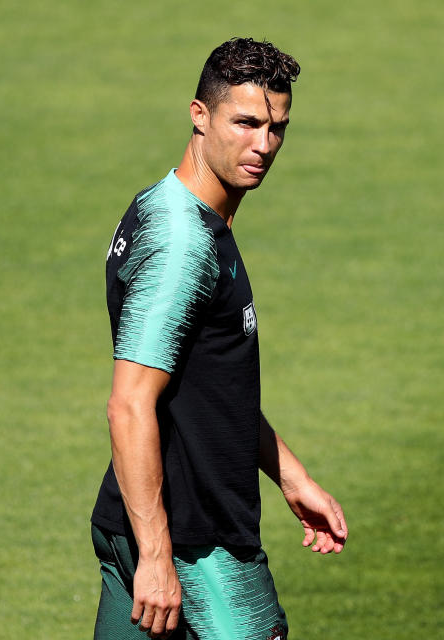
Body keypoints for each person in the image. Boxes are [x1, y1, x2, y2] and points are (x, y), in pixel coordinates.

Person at [91, 38, 348, 640]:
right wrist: (158, 557)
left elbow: (207, 389)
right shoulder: (183, 244)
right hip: (195, 545)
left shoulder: (169, 208)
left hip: (141, 522)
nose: (264, 145)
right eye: (246, 123)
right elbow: (129, 404)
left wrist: (289, 474)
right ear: (199, 115)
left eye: (277, 127)